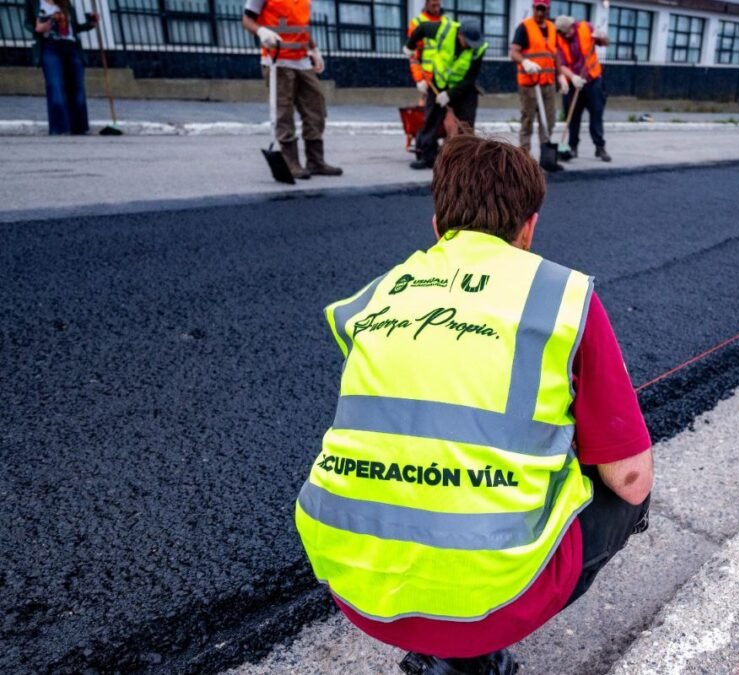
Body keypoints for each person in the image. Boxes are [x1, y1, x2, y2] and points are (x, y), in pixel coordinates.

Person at [295, 135, 653, 675]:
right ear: (529, 228)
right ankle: (467, 658)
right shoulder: (562, 297)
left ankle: (442, 644)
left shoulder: (377, 295)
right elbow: (631, 480)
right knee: (625, 495)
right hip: (488, 608)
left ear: (438, 224)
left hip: (352, 583)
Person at [242, 0, 343, 179]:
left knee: (316, 108)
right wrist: (261, 31)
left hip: (302, 61)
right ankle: (290, 162)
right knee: (284, 111)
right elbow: (247, 20)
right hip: (277, 60)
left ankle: (315, 161)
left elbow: (302, 27)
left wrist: (314, 49)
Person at [404, 17, 487, 170]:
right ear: (460, 34)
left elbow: (470, 78)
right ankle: (428, 158)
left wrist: (449, 95)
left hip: (463, 89)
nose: (470, 46)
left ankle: (465, 161)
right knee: (431, 120)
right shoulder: (444, 30)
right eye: (467, 41)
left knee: (466, 125)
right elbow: (421, 28)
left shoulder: (478, 49)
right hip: (439, 83)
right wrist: (410, 46)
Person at [24, 0, 96, 135]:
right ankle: (59, 128)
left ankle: (80, 128)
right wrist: (37, 29)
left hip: (72, 47)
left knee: (77, 87)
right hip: (49, 46)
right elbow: (28, 23)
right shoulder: (34, 2)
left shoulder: (65, 3)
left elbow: (74, 27)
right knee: (55, 85)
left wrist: (90, 24)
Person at [511, 0, 566, 156]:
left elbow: (555, 54)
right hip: (529, 84)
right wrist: (525, 62)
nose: (540, 13)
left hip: (548, 83)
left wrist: (561, 75)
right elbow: (514, 52)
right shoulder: (524, 27)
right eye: (538, 9)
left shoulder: (552, 28)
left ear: (548, 9)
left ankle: (546, 157)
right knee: (527, 120)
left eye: (544, 9)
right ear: (533, 8)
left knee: (548, 121)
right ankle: (524, 157)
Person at [554, 15, 610, 162]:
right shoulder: (558, 39)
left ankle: (600, 147)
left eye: (567, 32)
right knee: (572, 116)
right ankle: (572, 147)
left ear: (572, 26)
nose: (566, 36)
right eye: (563, 34)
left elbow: (605, 43)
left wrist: (601, 36)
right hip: (574, 82)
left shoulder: (586, 28)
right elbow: (560, 65)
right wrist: (573, 77)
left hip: (593, 80)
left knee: (596, 114)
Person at [406, 0, 446, 106]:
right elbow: (413, 55)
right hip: (428, 77)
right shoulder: (416, 23)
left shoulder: (446, 22)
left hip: (445, 76)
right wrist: (419, 79)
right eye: (433, 6)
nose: (437, 9)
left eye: (438, 5)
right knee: (427, 108)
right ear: (426, 3)